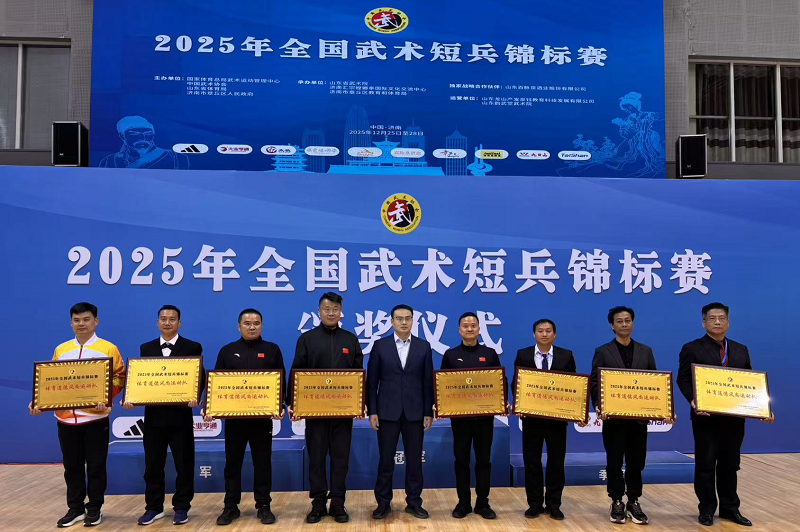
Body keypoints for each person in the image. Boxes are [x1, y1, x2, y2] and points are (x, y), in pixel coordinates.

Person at [29, 302, 126, 528]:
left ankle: (95, 508)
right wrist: (38, 402)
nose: (81, 324)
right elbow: (50, 381)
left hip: (95, 418)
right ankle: (75, 508)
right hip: (65, 419)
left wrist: (105, 396)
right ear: (71, 323)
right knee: (71, 466)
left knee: (96, 466)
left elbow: (120, 377)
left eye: (86, 319)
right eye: (77, 320)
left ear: (96, 321)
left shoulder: (108, 349)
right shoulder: (61, 350)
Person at [677, 302, 774, 527]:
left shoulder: (740, 349)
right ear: (703, 323)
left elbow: (750, 383)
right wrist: (693, 400)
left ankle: (730, 508)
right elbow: (683, 379)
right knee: (705, 465)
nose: (717, 322)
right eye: (712, 318)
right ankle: (707, 509)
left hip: (734, 419)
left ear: (728, 322)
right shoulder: (692, 348)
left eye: (721, 318)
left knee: (730, 465)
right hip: (705, 417)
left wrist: (763, 408)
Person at [591, 306, 673, 526]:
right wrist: (599, 405)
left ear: (633, 323)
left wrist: (663, 408)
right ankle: (616, 500)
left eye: (628, 320)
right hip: (614, 419)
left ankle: (634, 501)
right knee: (614, 462)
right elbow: (596, 382)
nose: (624, 324)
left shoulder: (646, 351)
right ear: (612, 325)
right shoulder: (603, 351)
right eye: (619, 321)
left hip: (638, 420)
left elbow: (655, 383)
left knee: (637, 462)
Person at [122, 305, 203, 526]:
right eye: (163, 319)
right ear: (157, 322)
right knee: (153, 465)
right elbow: (140, 379)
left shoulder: (192, 346)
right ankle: (154, 507)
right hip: (154, 419)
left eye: (172, 319)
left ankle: (182, 507)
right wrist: (131, 398)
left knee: (184, 465)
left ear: (179, 323)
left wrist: (196, 396)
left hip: (180, 418)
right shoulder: (146, 348)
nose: (167, 323)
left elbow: (200, 377)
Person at [288, 293, 364, 524]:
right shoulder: (307, 339)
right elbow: (296, 372)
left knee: (341, 459)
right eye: (327, 309)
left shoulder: (350, 339)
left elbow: (359, 375)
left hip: (343, 413)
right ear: (319, 311)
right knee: (317, 459)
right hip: (315, 413)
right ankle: (318, 504)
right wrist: (294, 403)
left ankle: (338, 503)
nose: (331, 313)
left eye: (335, 309)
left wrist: (360, 403)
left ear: (341, 312)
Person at [208, 309, 286, 526]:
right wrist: (212, 407)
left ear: (262, 325)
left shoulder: (272, 350)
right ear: (239, 326)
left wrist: (280, 405)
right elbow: (217, 384)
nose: (252, 327)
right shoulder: (227, 351)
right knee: (232, 464)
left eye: (256, 323)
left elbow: (280, 381)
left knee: (263, 463)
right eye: (247, 323)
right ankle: (230, 506)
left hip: (262, 421)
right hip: (235, 421)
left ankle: (264, 505)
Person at [367, 304, 434, 520]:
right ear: (392, 321)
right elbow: (372, 382)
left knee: (414, 460)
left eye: (408, 318)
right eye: (399, 318)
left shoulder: (424, 347)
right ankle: (383, 503)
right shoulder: (380, 346)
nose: (404, 322)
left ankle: (414, 502)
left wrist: (428, 411)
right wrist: (372, 411)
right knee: (386, 460)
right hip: (387, 412)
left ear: (413, 321)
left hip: (415, 412)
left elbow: (428, 382)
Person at [513, 318, 584, 520]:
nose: (544, 334)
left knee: (556, 462)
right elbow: (516, 383)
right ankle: (535, 503)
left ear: (554, 334)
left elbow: (573, 385)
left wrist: (576, 410)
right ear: (534, 334)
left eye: (548, 331)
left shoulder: (566, 355)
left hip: (557, 420)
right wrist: (519, 404)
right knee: (532, 462)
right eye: (540, 331)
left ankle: (554, 504)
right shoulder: (523, 354)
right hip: (532, 420)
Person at [438, 312, 503, 520]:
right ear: (459, 330)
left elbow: (499, 383)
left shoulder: (490, 354)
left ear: (479, 329)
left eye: (473, 325)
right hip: (460, 421)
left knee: (484, 461)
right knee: (461, 461)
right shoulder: (450, 355)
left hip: (484, 420)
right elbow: (443, 385)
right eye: (465, 326)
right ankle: (463, 503)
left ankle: (483, 503)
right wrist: (441, 405)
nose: (469, 329)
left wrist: (502, 401)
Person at [99, 115, 189, 169]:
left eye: (148, 134)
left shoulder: (176, 158)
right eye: (134, 134)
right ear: (122, 136)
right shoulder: (109, 161)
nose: (143, 138)